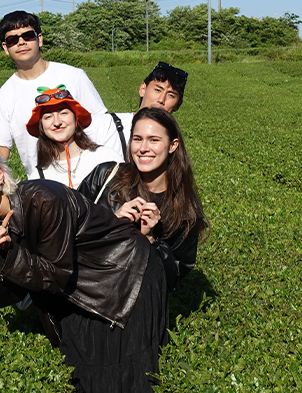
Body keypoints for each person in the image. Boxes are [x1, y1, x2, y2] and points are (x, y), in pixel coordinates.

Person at [0, 139, 168, 392]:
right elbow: (7, 297)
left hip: (125, 275)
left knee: (122, 377)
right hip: (78, 288)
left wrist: (8, 251)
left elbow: (55, 276)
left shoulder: (45, 200)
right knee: (85, 373)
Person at [78, 107, 210, 293]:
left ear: (173, 145)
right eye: (137, 139)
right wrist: (111, 223)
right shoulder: (106, 175)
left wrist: (149, 239)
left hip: (131, 308)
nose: (143, 148)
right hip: (83, 291)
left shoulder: (186, 208)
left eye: (154, 140)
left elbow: (172, 279)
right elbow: (67, 226)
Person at [0, 11, 107, 177]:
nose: (21, 42)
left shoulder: (74, 76)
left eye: (27, 35)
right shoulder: (3, 97)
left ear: (39, 39)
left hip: (89, 174)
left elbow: (101, 126)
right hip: (44, 184)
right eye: (13, 40)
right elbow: (1, 150)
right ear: (5, 48)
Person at [25, 87, 123, 188]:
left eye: (63, 113)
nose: (57, 122)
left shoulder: (106, 158)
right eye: (48, 117)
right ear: (41, 126)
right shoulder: (38, 178)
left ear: (76, 118)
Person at [106, 61, 189, 156]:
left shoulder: (173, 145)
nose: (161, 100)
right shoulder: (107, 126)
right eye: (157, 90)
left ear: (178, 105)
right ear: (143, 89)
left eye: (171, 95)